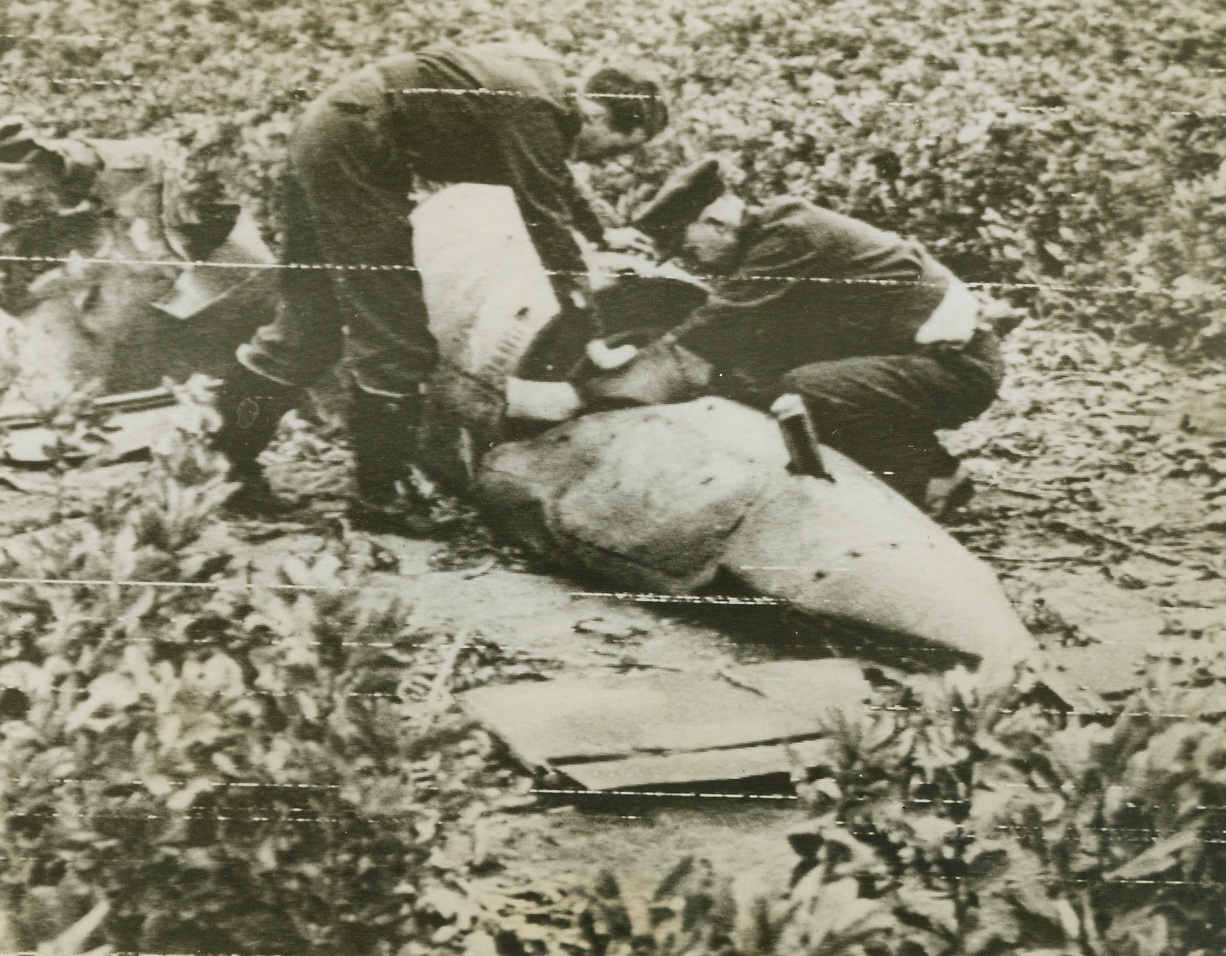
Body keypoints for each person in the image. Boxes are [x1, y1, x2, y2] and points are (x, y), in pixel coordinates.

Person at [212, 40, 667, 533]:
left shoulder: (546, 91)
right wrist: (589, 328)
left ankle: (226, 473)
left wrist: (601, 235)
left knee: (309, 324)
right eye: (617, 149)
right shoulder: (537, 110)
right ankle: (379, 499)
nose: (604, 163)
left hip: (329, 131)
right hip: (357, 149)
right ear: (596, 116)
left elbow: (553, 181)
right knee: (396, 338)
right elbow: (546, 218)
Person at [583, 187, 1003, 516]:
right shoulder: (771, 235)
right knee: (760, 382)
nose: (698, 263)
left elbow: (720, 321)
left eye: (691, 249)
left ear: (716, 223)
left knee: (804, 391)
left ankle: (934, 476)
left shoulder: (791, 234)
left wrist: (597, 390)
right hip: (916, 361)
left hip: (957, 369)